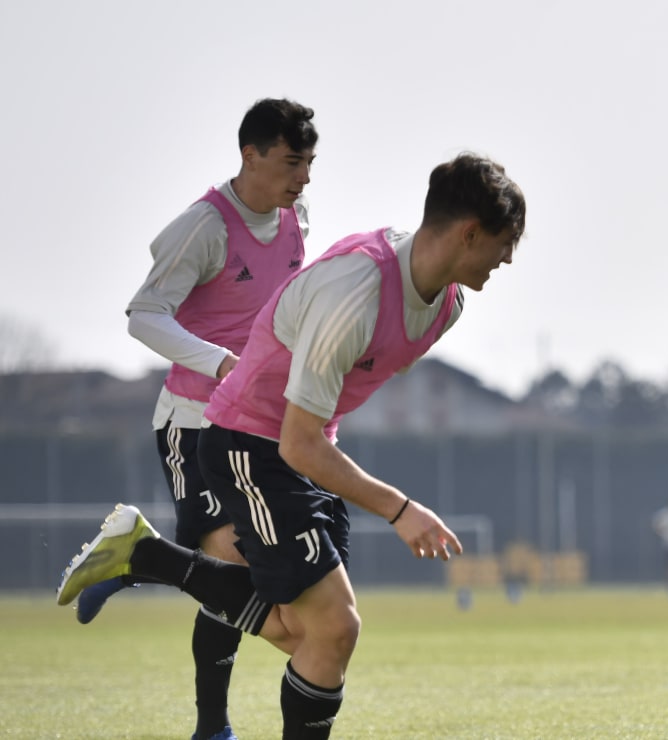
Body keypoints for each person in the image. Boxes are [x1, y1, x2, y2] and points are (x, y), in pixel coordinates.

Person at [56, 152, 526, 739]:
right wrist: (402, 511)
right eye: (505, 243)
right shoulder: (357, 290)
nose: (509, 259)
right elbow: (299, 443)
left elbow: (317, 422)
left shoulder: (448, 303)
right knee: (334, 630)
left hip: (301, 447)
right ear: (469, 233)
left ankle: (144, 555)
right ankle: (159, 595)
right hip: (250, 443)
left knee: (302, 634)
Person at [73, 98, 318, 740]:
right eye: (293, 162)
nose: (304, 177)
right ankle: (213, 726)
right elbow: (144, 312)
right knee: (229, 561)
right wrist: (219, 363)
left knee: (242, 575)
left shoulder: (299, 216)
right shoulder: (204, 226)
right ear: (251, 154)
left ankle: (137, 559)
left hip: (262, 420)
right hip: (193, 420)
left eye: (311, 163)